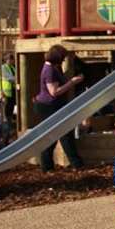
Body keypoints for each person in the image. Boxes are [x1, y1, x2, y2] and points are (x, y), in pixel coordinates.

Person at [33, 44, 85, 172]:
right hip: (49, 107)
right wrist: (73, 81)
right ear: (57, 58)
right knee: (61, 135)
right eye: (62, 58)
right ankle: (74, 164)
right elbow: (54, 92)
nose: (63, 60)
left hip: (52, 106)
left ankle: (51, 166)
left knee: (60, 135)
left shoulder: (52, 68)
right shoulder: (49, 71)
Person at [0, 52, 17, 139]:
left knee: (10, 111)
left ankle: (9, 129)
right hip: (5, 93)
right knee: (6, 113)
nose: (12, 61)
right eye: (11, 59)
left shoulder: (12, 67)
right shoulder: (3, 68)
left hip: (12, 92)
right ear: (7, 60)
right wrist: (16, 78)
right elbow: (10, 78)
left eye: (12, 59)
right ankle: (5, 132)